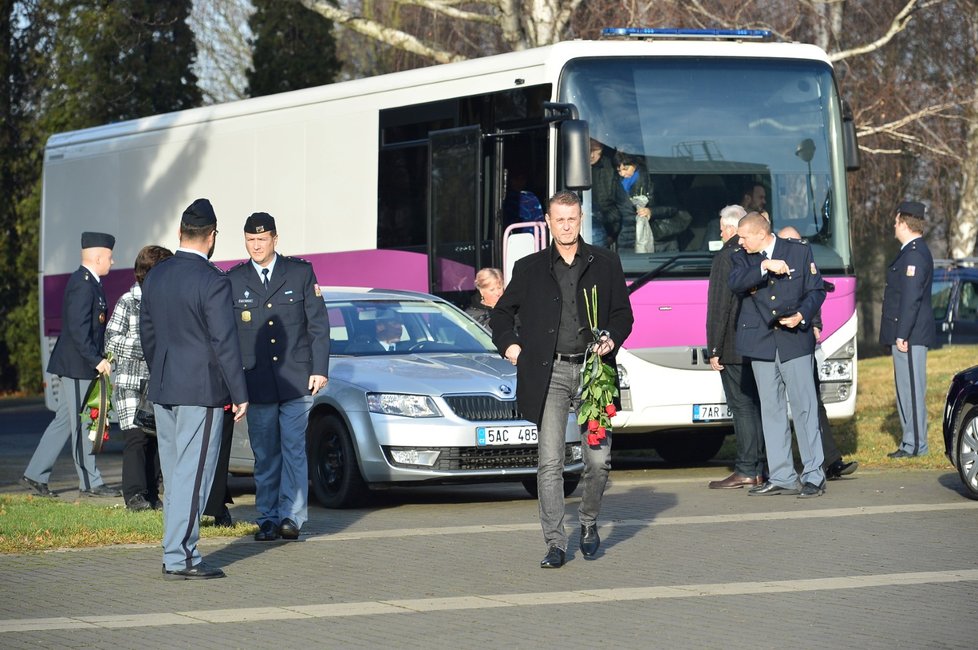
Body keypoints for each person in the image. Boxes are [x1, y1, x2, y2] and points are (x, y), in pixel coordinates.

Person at [490, 190, 634, 568]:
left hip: (593, 374)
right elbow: (501, 314)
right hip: (548, 373)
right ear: (549, 223)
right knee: (550, 462)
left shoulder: (605, 262)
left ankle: (587, 522)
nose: (566, 226)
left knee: (598, 460)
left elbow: (624, 315)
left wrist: (612, 338)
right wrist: (511, 347)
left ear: (580, 219)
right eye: (560, 219)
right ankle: (555, 543)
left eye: (572, 219)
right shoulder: (529, 267)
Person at [140, 198, 248, 580]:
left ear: (180, 234)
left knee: (176, 474)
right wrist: (239, 392)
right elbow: (225, 342)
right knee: (194, 475)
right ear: (212, 236)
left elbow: (147, 335)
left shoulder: (156, 275)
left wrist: (163, 373)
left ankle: (175, 550)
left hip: (166, 386)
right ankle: (181, 555)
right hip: (200, 390)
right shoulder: (214, 280)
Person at [228, 212, 331, 541]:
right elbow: (227, 335)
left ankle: (292, 517)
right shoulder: (234, 280)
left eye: (261, 239)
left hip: (296, 377)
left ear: (275, 239)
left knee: (293, 449)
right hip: (255, 380)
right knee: (266, 453)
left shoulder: (299, 272)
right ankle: (268, 518)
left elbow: (318, 324)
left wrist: (320, 369)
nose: (256, 246)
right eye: (250, 240)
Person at [729, 212, 826, 498]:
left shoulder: (798, 251)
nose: (740, 241)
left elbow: (816, 290)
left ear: (761, 233)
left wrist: (802, 315)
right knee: (771, 410)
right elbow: (734, 282)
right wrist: (764, 265)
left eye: (744, 236)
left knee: (804, 407)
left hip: (794, 340)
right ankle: (782, 475)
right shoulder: (742, 256)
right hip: (760, 343)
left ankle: (813, 475)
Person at [22, 232, 122, 498]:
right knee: (82, 426)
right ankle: (90, 483)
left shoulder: (90, 283)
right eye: (110, 257)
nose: (113, 262)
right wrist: (97, 360)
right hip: (78, 366)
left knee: (64, 422)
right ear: (98, 257)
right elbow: (78, 330)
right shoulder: (83, 283)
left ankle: (35, 474)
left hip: (78, 364)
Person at [777, 225, 858, 479]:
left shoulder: (804, 264)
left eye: (800, 241)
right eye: (792, 241)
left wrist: (815, 325)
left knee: (813, 403)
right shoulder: (771, 267)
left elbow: (814, 296)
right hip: (779, 346)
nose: (799, 246)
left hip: (802, 343)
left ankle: (830, 461)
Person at [104, 245, 173, 511]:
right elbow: (111, 340)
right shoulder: (128, 301)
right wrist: (146, 344)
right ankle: (133, 495)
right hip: (131, 383)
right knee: (136, 439)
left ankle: (152, 493)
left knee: (155, 439)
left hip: (158, 381)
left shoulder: (166, 301)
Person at [705, 206, 765, 489]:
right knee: (757, 406)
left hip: (730, 344)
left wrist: (713, 348)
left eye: (721, 226)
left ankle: (745, 469)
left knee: (741, 407)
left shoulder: (725, 257)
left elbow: (720, 306)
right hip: (756, 343)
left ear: (732, 227)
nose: (720, 232)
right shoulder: (756, 252)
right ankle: (760, 467)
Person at [879, 200, 935, 458]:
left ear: (904, 223)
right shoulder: (911, 251)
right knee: (905, 389)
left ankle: (915, 445)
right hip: (906, 334)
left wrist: (902, 334)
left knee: (911, 390)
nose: (893, 225)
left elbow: (911, 298)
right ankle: (909, 442)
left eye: (895, 220)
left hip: (909, 335)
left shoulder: (914, 254)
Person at [614, 150, 691, 253]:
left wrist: (651, 211)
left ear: (635, 164)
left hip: (660, 238)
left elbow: (672, 207)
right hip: (629, 237)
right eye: (619, 170)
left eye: (626, 169)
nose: (623, 174)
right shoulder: (618, 184)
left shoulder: (655, 179)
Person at [588, 139, 632, 249]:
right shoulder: (570, 166)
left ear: (602, 148)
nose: (591, 155)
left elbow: (622, 206)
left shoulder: (612, 170)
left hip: (606, 234)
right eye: (587, 149)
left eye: (595, 150)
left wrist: (612, 234)